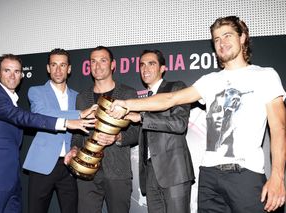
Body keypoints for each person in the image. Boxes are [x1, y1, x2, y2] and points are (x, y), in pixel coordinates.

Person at [108, 16, 286, 213]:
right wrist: (127, 104)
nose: (222, 43)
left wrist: (278, 176)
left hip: (246, 174)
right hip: (209, 176)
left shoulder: (265, 75)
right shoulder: (209, 81)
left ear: (243, 37)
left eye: (227, 36)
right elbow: (170, 99)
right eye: (216, 39)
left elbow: (279, 128)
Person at [0, 54, 95, 213]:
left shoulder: (10, 100)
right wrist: (67, 121)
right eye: (7, 70)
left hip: (11, 178)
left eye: (17, 71)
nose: (12, 75)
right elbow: (24, 117)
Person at [65, 46, 139, 213]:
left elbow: (137, 132)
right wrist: (74, 149)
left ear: (113, 65)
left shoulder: (128, 93)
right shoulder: (82, 97)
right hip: (87, 172)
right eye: (93, 61)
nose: (97, 66)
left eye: (103, 60)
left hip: (118, 171)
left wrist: (118, 137)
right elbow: (78, 133)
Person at [23, 49, 97, 213]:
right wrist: (78, 114)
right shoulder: (36, 91)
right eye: (54, 65)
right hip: (42, 164)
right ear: (48, 68)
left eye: (62, 65)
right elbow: (40, 113)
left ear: (69, 69)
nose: (58, 70)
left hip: (70, 165)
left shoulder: (77, 97)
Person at [124, 49, 195, 213]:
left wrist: (142, 118)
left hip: (174, 171)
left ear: (163, 68)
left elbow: (179, 124)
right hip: (149, 173)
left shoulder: (176, 88)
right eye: (142, 64)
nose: (145, 68)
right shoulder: (144, 100)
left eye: (151, 63)